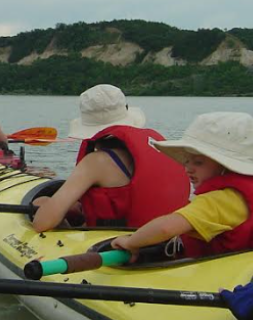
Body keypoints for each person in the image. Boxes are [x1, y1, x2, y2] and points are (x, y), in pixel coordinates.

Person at [110, 112, 253, 261]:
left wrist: (131, 242)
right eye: (187, 160)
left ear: (225, 166)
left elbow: (166, 228)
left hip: (229, 283)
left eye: (198, 162)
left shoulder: (221, 199)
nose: (188, 168)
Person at [32, 84, 189, 232]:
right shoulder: (159, 144)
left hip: (121, 245)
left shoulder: (96, 162)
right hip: (169, 238)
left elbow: (42, 224)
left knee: (41, 202)